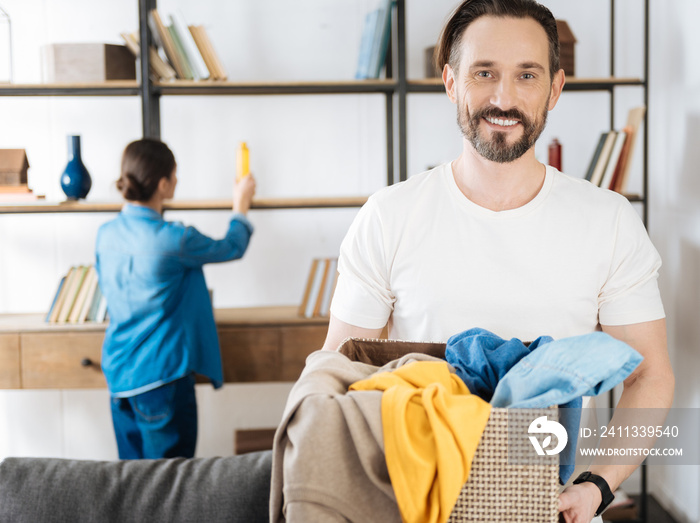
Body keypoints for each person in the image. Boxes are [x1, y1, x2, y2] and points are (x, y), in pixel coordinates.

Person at [322, 1, 674, 522]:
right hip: (421, 504)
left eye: (526, 75)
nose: (503, 97)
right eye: (483, 73)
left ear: (554, 88)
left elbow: (649, 374)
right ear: (450, 81)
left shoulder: (609, 220)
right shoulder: (388, 216)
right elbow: (340, 372)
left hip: (553, 505)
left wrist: (595, 486)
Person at [95, 138, 256, 460]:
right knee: (171, 488)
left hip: (119, 377)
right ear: (163, 184)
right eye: (175, 175)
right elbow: (231, 246)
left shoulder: (105, 234)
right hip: (161, 379)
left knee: (132, 481)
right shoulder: (175, 239)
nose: (178, 181)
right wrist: (241, 204)